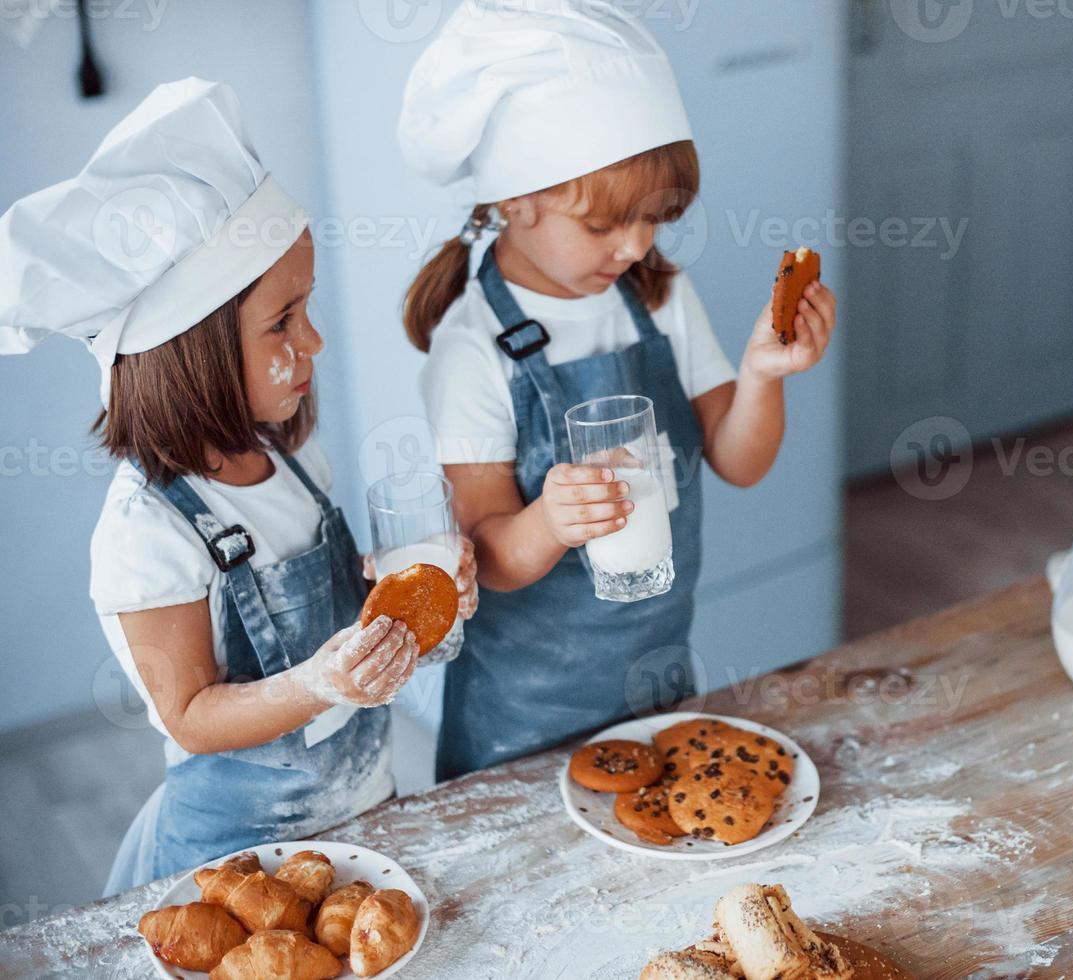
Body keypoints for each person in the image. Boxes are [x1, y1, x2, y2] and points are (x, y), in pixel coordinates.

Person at [0, 78, 477, 891]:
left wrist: (415, 597)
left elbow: (348, 621)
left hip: (364, 819)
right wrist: (318, 683)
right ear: (194, 352)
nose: (315, 340)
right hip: (240, 867)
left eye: (307, 308)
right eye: (283, 321)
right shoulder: (144, 534)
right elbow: (189, 713)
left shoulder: (295, 461)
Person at [397, 2, 838, 780]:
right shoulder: (474, 349)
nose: (636, 245)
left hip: (657, 684)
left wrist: (764, 376)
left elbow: (740, 460)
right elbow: (487, 554)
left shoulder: (658, 297)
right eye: (605, 225)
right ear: (516, 200)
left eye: (654, 219)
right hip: (521, 724)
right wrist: (549, 521)